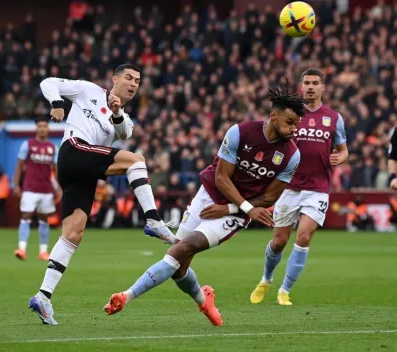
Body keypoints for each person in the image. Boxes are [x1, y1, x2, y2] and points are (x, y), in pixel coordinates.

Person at [103, 84, 304, 326]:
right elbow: (221, 178)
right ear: (274, 116)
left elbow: (270, 197)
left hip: (236, 213)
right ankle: (204, 300)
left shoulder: (292, 155)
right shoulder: (240, 132)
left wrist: (232, 209)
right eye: (290, 122)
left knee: (179, 250)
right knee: (178, 268)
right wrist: (243, 207)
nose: (294, 129)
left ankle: (125, 296)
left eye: (297, 124)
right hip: (208, 195)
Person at [28, 63, 175, 325]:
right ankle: (153, 220)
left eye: (137, 81)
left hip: (84, 171)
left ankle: (43, 295)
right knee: (136, 160)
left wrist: (117, 112)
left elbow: (122, 132)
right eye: (128, 78)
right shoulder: (87, 90)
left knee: (73, 233)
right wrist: (57, 102)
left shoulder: (125, 118)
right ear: (114, 79)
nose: (133, 84)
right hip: (73, 150)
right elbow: (48, 81)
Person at [250, 68, 349, 306]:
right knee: (279, 241)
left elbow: (343, 150)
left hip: (318, 188)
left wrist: (339, 158)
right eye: (307, 82)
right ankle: (266, 279)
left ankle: (284, 290)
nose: (311, 86)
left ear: (323, 87)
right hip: (288, 186)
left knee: (304, 237)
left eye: (316, 82)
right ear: (301, 87)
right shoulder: (291, 114)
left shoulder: (334, 118)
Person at [13, 117, 61, 261]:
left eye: (44, 126)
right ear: (36, 128)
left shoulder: (53, 147)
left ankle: (43, 251)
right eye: (40, 126)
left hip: (46, 190)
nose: (42, 129)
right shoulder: (27, 145)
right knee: (26, 217)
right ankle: (21, 249)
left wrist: (57, 188)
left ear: (48, 129)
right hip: (30, 189)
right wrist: (16, 184)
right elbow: (20, 166)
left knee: (44, 220)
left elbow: (55, 170)